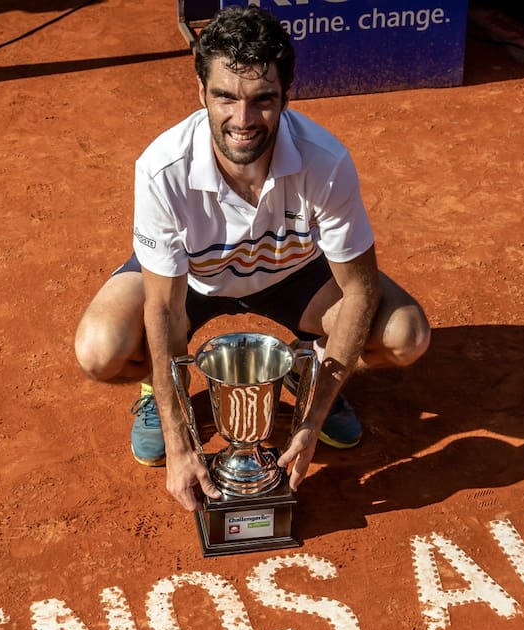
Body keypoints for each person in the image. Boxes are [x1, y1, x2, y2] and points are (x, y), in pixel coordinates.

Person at [74, 5, 430, 513]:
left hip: (293, 275)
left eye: (263, 100)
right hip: (192, 281)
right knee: (100, 350)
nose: (242, 121)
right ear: (201, 93)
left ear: (286, 95)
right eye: (225, 97)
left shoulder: (325, 160)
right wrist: (179, 442)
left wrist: (311, 416)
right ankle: (161, 394)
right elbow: (164, 308)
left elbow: (359, 289)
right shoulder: (161, 168)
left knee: (405, 337)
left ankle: (305, 374)